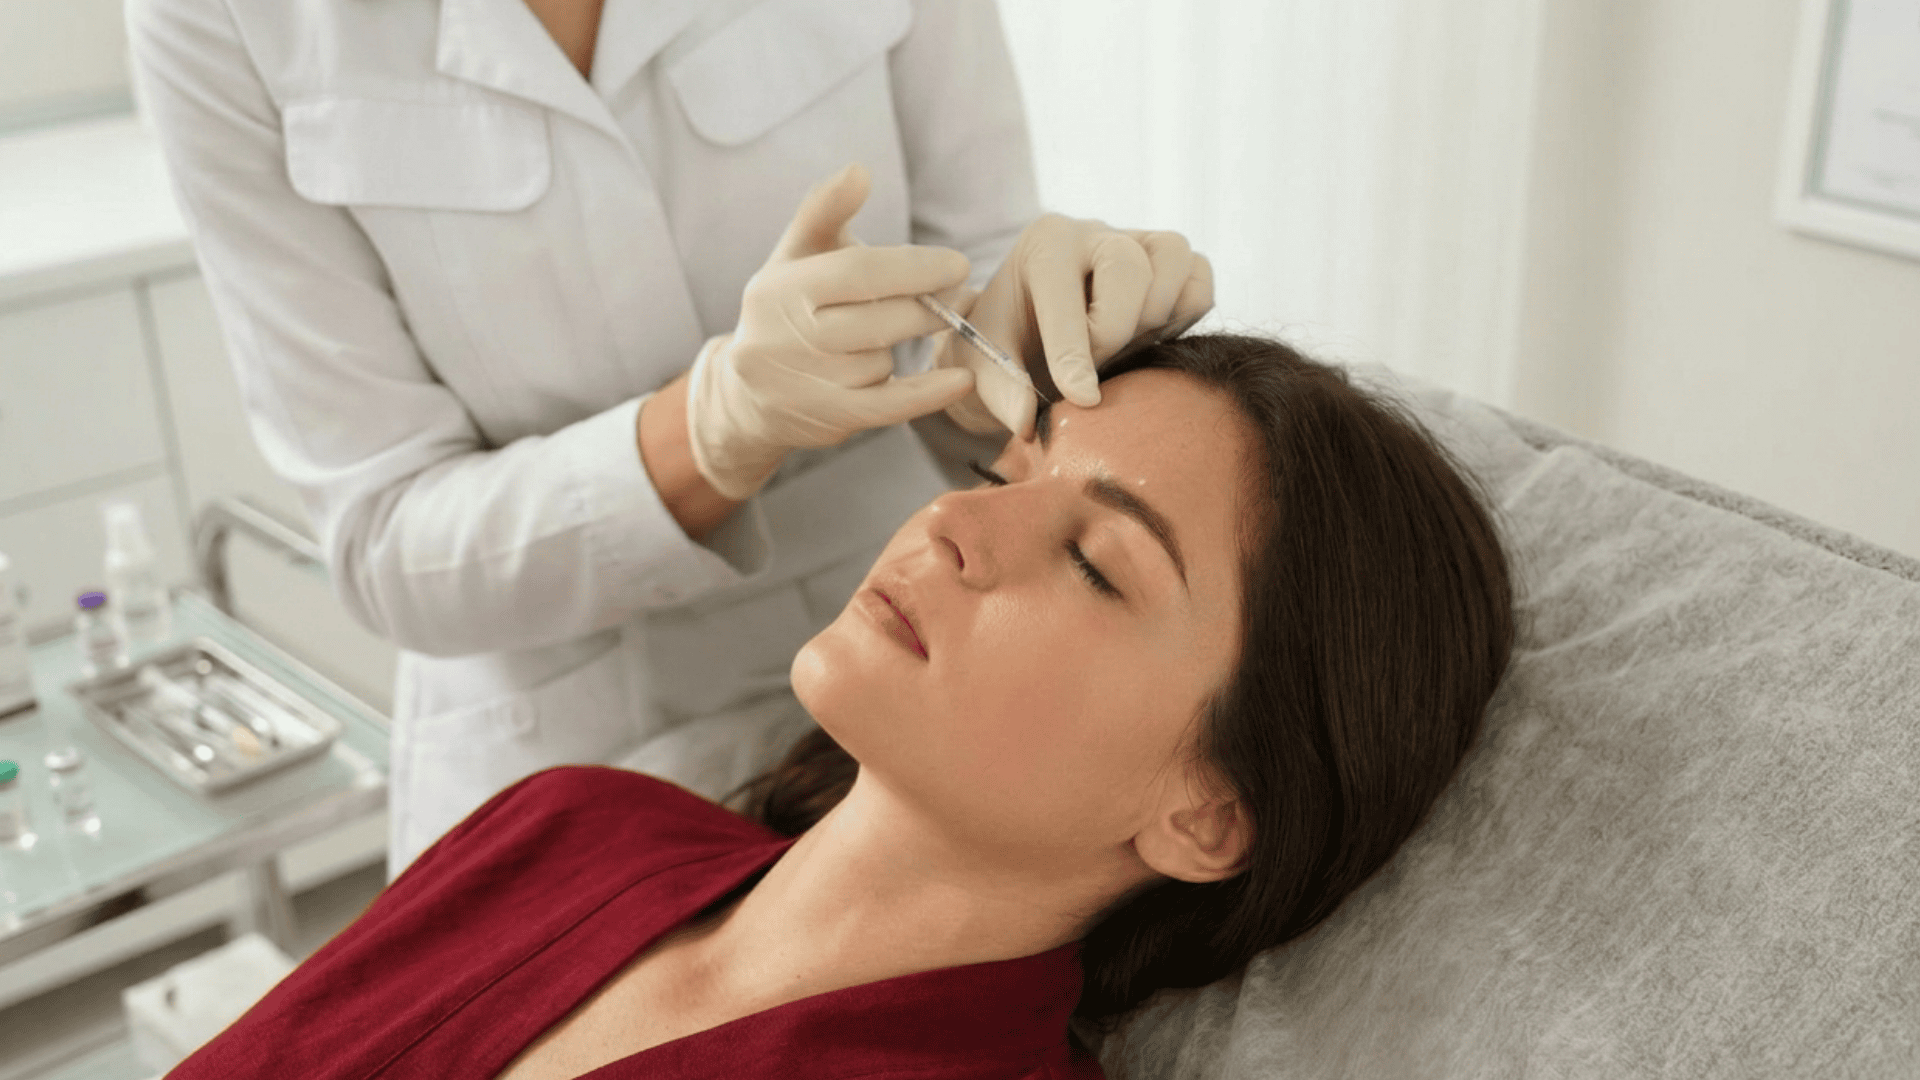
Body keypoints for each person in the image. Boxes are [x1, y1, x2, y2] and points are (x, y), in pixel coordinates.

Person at [165, 335, 1516, 1079]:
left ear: (1209, 811)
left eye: (1096, 563)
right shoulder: (573, 824)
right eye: (1006, 467)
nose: (956, 524)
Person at [127, 0, 1215, 873]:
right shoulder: (222, 20)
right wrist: (708, 434)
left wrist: (1015, 358)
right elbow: (386, 543)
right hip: (558, 733)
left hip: (907, 682)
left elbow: (975, 271)